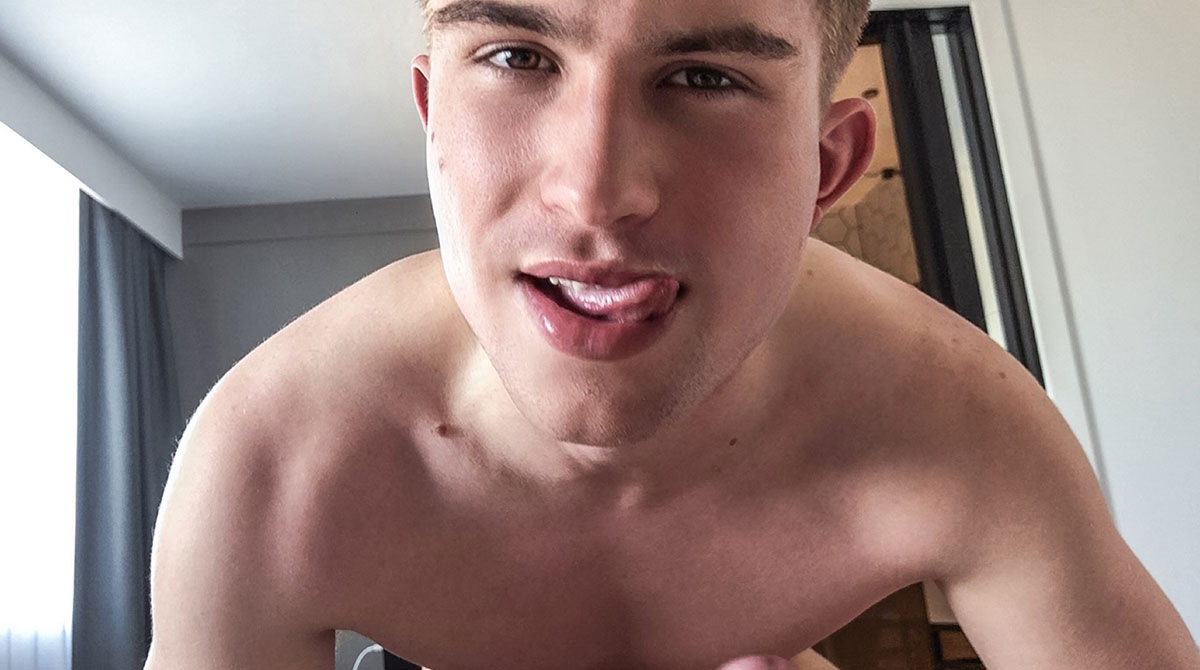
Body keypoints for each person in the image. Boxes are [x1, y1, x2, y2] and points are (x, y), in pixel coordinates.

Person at [143, 0, 1200, 668]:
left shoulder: (964, 429)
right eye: (517, 55)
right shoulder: (268, 465)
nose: (595, 192)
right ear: (434, 119)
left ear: (826, 167)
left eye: (706, 77)